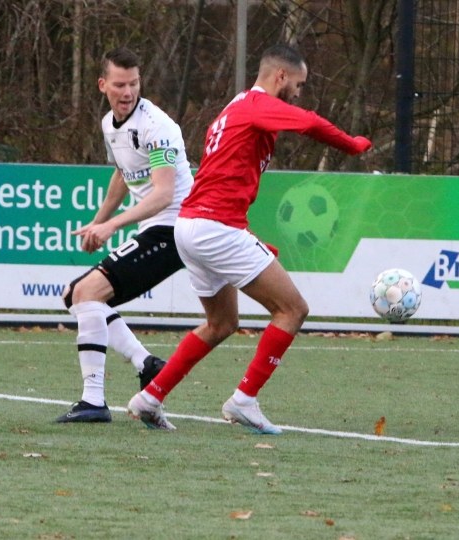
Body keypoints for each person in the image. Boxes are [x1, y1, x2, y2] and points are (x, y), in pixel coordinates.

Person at [126, 43, 372, 433]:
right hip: (213, 228)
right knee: (293, 310)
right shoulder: (258, 104)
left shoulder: (233, 109)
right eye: (299, 85)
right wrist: (353, 144)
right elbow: (308, 123)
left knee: (221, 323)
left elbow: (224, 180)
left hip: (192, 226)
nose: (298, 93)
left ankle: (150, 397)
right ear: (280, 77)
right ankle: (244, 399)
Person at [56, 47, 194, 424]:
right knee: (74, 294)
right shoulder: (109, 125)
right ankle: (147, 364)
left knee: (87, 293)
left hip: (175, 230)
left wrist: (113, 225)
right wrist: (98, 222)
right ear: (104, 85)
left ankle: (93, 401)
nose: (128, 91)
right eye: (119, 84)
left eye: (133, 83)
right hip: (155, 228)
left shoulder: (158, 126)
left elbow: (164, 194)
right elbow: (121, 174)